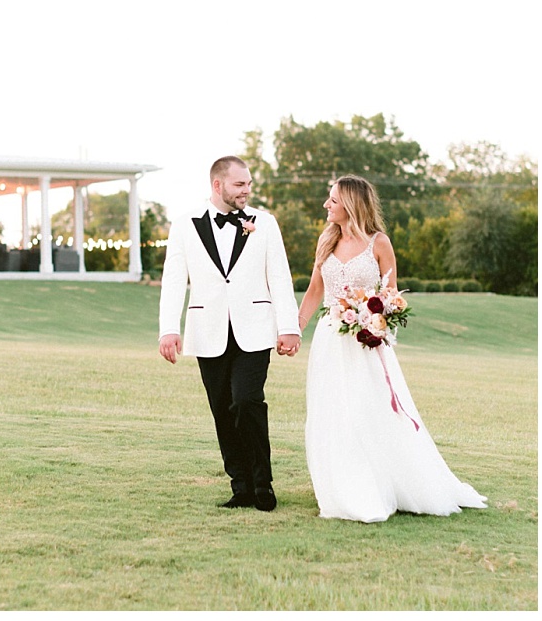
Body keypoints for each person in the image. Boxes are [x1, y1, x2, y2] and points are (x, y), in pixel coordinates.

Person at [297, 175, 486, 522]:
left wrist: (373, 319)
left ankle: (385, 483)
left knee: (368, 410)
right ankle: (342, 484)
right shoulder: (326, 241)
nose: (327, 205)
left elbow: (391, 295)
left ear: (352, 204)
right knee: (333, 411)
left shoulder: (378, 243)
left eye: (333, 200)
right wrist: (294, 329)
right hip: (329, 341)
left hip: (365, 342)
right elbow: (313, 292)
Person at [159, 156, 302, 511]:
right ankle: (240, 487)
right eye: (240, 184)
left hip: (255, 328)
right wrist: (168, 329)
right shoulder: (184, 225)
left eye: (249, 184)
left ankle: (262, 484)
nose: (247, 190)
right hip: (207, 330)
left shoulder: (264, 223)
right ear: (218, 185)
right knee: (222, 409)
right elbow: (174, 279)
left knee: (246, 400)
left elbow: (280, 277)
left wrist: (289, 327)